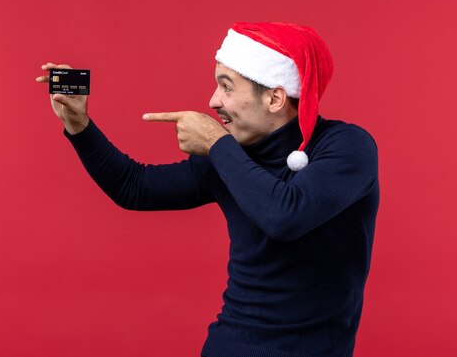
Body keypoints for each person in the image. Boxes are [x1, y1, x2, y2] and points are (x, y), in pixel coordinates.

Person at [36, 22, 379, 357]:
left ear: (275, 98)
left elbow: (286, 216)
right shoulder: (234, 154)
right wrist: (79, 126)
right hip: (231, 346)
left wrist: (216, 143)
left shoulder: (346, 146)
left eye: (227, 87)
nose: (213, 101)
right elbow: (133, 187)